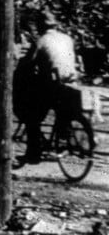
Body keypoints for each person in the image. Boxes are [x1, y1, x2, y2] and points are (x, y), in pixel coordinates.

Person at [17, 11, 79, 165]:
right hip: (72, 82)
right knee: (62, 111)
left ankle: (33, 154)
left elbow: (29, 62)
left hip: (54, 85)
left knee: (32, 117)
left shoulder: (42, 41)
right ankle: (63, 139)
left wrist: (19, 70)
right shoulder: (67, 38)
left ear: (40, 26)